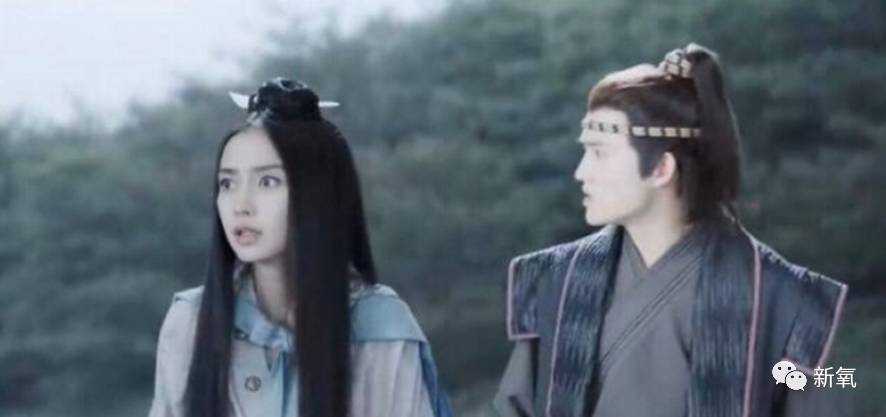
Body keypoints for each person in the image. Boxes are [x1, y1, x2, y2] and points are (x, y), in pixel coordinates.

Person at [493, 44, 848, 417]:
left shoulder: (783, 299)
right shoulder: (557, 281)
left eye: (599, 153)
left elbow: (827, 391)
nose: (581, 172)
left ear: (661, 168)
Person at [148, 78, 452, 417]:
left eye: (268, 181)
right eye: (228, 183)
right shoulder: (192, 321)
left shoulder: (381, 328)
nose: (241, 205)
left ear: (318, 194)